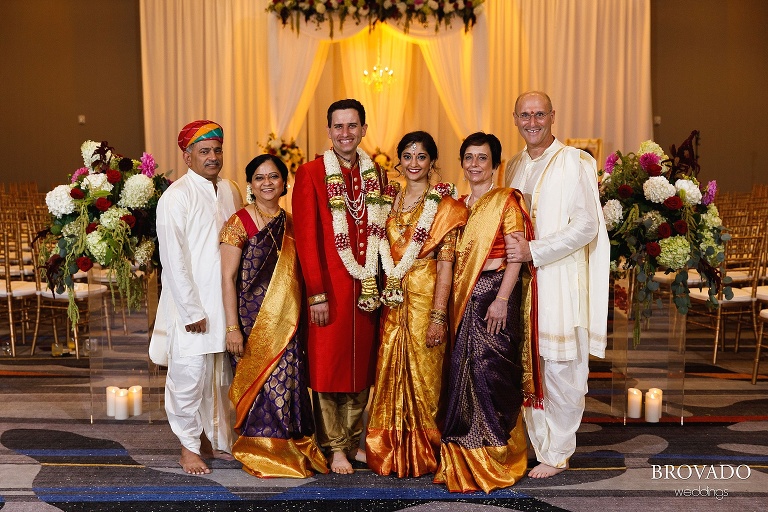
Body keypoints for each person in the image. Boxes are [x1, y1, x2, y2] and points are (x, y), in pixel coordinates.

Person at [504, 91, 609, 479]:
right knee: (529, 365)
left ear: (553, 117)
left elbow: (586, 225)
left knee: (561, 366)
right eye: (525, 115)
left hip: (559, 278)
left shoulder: (576, 162)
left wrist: (535, 250)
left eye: (540, 114)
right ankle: (540, 443)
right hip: (522, 284)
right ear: (515, 119)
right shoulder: (513, 165)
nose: (533, 122)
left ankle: (559, 450)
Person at [434, 132, 541, 493]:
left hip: (495, 296)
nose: (475, 165)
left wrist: (501, 299)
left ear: (495, 165)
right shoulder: (455, 207)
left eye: (483, 158)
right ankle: (463, 453)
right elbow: (445, 261)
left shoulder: (507, 202)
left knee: (492, 374)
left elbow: (515, 257)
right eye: (469, 158)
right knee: (460, 374)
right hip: (461, 302)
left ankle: (496, 455)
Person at [292, 99, 386, 474]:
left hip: (366, 289)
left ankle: (352, 440)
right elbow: (306, 238)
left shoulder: (376, 175)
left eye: (352, 126)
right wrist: (316, 292)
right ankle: (334, 449)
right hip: (328, 290)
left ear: (364, 129)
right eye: (338, 127)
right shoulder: (312, 173)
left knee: (361, 368)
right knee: (329, 370)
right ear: (328, 131)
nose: (345, 133)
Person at [365, 131, 467, 478]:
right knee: (388, 373)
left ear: (432, 162)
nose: (413, 163)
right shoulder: (387, 202)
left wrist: (439, 315)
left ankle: (424, 452)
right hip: (392, 303)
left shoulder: (446, 207)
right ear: (399, 160)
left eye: (421, 157)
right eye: (407, 156)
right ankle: (388, 449)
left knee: (426, 379)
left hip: (426, 303)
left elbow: (446, 265)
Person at [220, 154, 328, 478]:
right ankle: (260, 450)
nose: (267, 183)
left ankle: (290, 448)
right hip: (252, 322)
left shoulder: (294, 224)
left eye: (274, 177)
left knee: (289, 386)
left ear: (284, 182)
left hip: (288, 321)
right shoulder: (240, 221)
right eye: (259, 178)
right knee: (261, 388)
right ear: (251, 184)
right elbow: (227, 278)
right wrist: (231, 328)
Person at [149, 120, 242, 475]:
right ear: (187, 157)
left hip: (225, 302)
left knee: (219, 378)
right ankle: (188, 447)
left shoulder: (230, 189)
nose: (213, 157)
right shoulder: (176, 197)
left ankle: (215, 441)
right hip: (193, 307)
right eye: (205, 151)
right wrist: (191, 309)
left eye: (217, 150)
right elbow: (172, 260)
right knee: (189, 375)